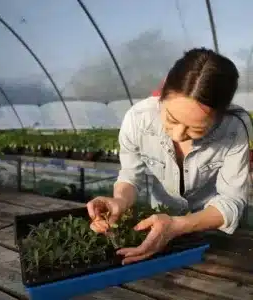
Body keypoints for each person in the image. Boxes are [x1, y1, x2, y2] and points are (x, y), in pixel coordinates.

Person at [87, 47, 253, 265]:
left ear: (221, 115)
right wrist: (120, 200)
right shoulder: (138, 120)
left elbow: (232, 200)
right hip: (156, 228)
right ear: (163, 95)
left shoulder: (235, 127)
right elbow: (130, 175)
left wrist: (177, 225)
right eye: (172, 119)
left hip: (212, 234)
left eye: (197, 129)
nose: (178, 135)